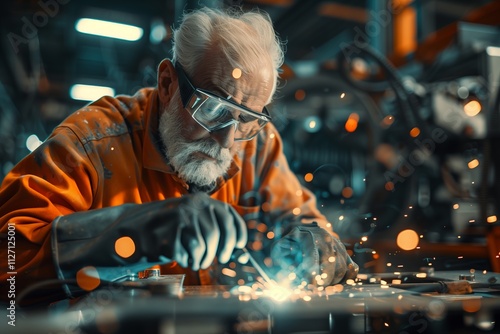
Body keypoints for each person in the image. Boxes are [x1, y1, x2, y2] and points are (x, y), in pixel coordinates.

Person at [0, 6, 358, 306]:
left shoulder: (257, 146)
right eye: (214, 109)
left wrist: (316, 247)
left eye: (247, 120)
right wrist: (139, 231)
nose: (228, 139)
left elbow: (309, 228)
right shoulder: (91, 143)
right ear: (169, 84)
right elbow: (9, 262)